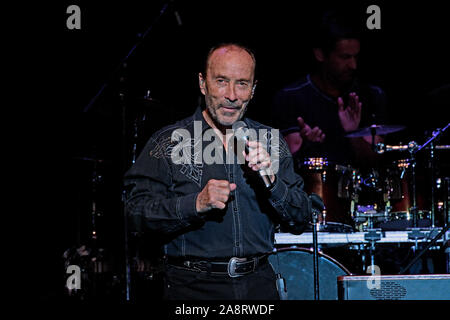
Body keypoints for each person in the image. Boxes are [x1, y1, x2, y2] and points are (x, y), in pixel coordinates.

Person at [123, 43, 312, 300]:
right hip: (193, 289)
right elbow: (134, 213)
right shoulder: (168, 142)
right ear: (203, 84)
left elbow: (301, 219)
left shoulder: (270, 142)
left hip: (259, 287)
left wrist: (272, 182)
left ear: (253, 89)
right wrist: (196, 204)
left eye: (242, 84)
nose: (232, 95)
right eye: (221, 81)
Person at [271, 10, 387, 169]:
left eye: (356, 57)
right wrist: (308, 147)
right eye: (345, 57)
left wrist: (353, 134)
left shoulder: (371, 95)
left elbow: (374, 162)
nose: (353, 66)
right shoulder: (291, 97)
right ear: (320, 55)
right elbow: (283, 167)